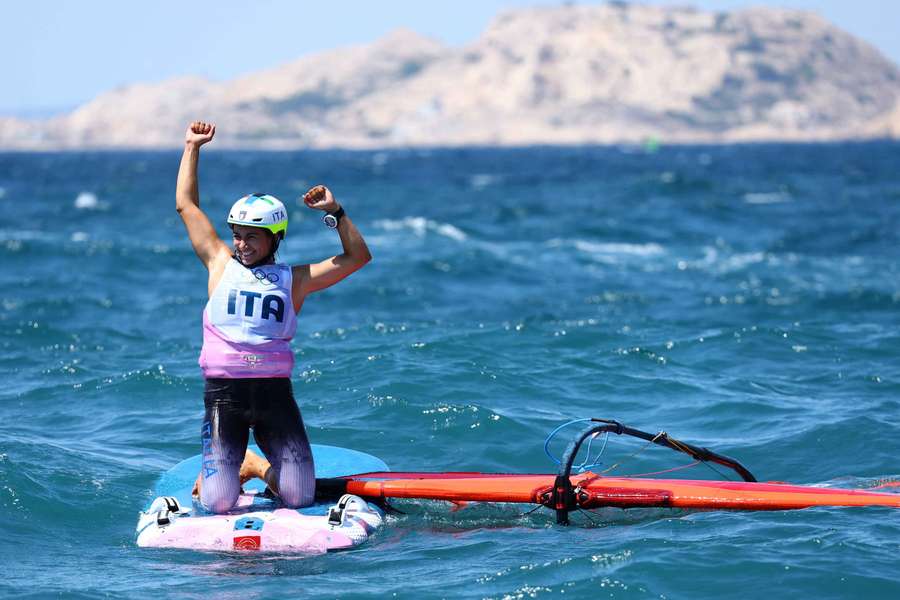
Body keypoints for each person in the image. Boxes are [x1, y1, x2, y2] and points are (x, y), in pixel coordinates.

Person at [175, 121, 371, 513]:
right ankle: (238, 466)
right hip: (224, 397)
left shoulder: (294, 280)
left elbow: (357, 258)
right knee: (217, 504)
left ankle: (257, 465)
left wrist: (336, 211)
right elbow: (186, 205)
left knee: (300, 496)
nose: (242, 244)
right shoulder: (218, 262)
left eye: (252, 236)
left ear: (274, 239)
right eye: (238, 234)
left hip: (274, 397)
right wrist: (192, 147)